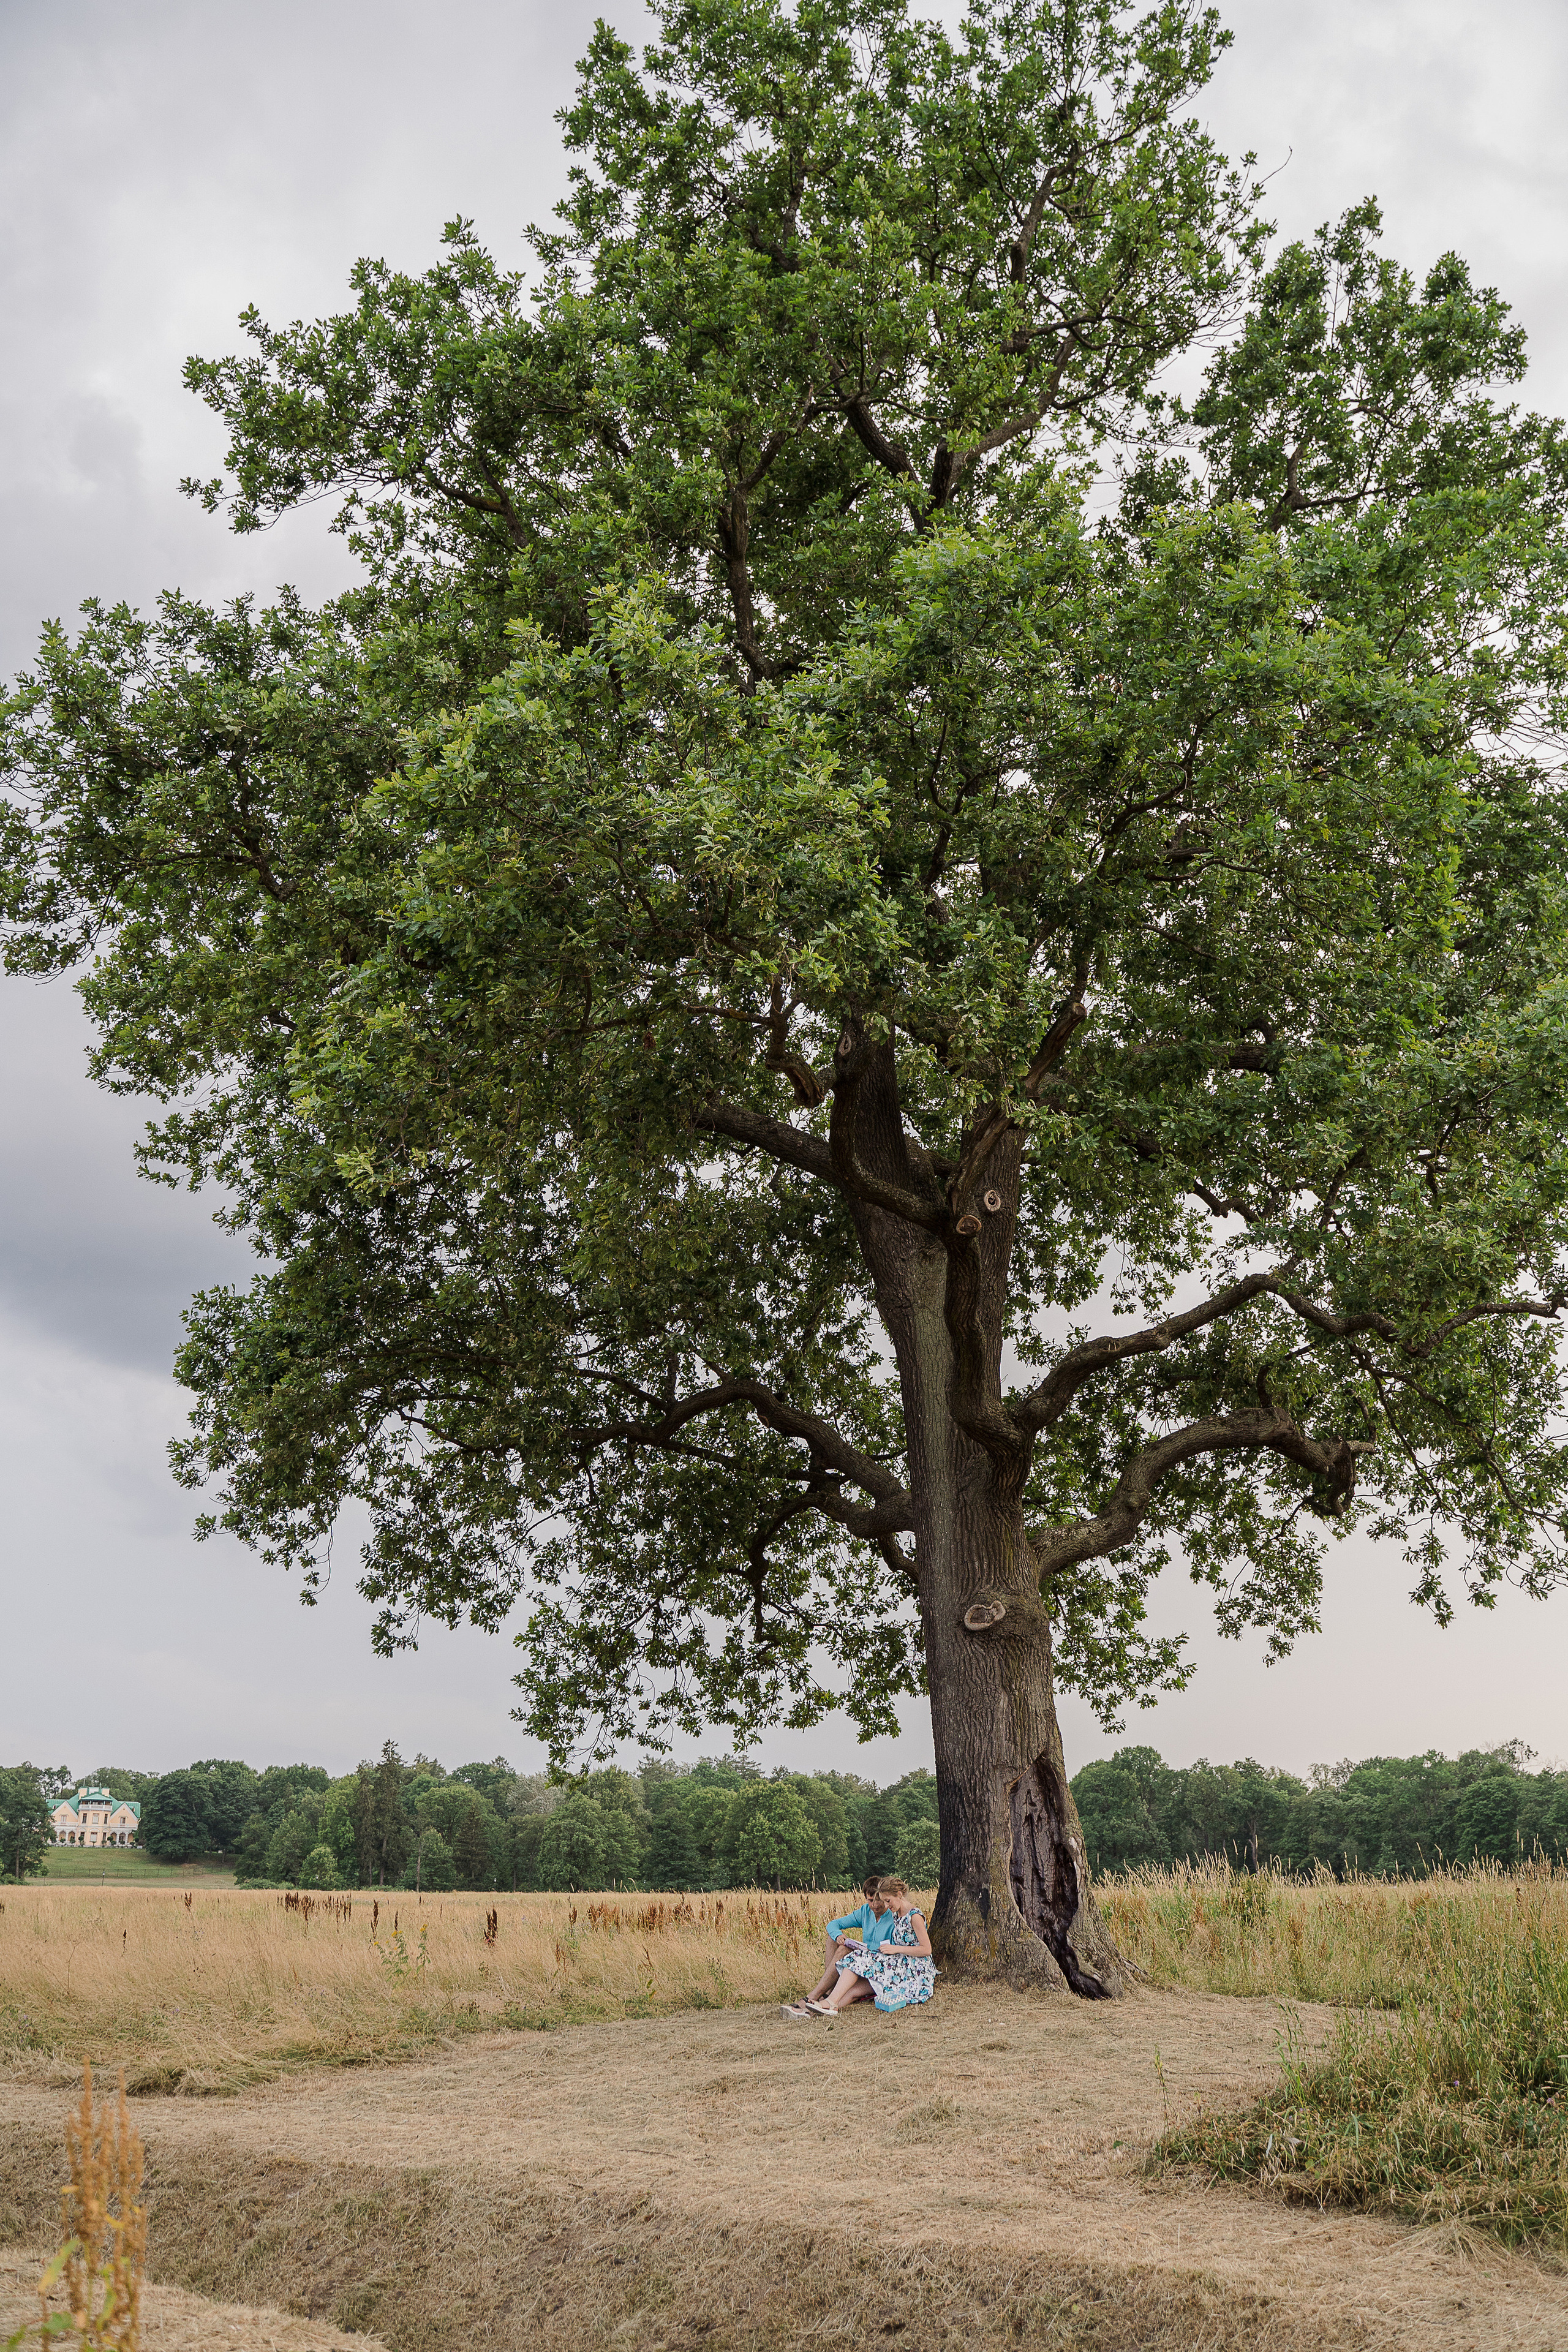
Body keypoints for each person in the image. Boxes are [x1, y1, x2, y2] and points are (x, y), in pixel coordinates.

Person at [802, 1879, 935, 2016]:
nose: (886, 1905)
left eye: (888, 1901)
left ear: (900, 1895)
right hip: (898, 1961)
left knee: (858, 1963)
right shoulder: (897, 1913)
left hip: (914, 1967)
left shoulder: (915, 1916)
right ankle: (829, 2005)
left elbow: (926, 1950)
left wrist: (896, 1949)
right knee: (855, 1965)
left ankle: (829, 2001)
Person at [780, 1877, 893, 2020]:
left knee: (844, 1950)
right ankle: (827, 1991)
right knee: (833, 1940)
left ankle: (811, 1999)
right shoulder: (865, 1912)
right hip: (861, 1962)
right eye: (870, 1901)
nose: (875, 1905)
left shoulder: (894, 1915)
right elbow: (833, 1924)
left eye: (879, 1900)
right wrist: (839, 1935)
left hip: (878, 1966)